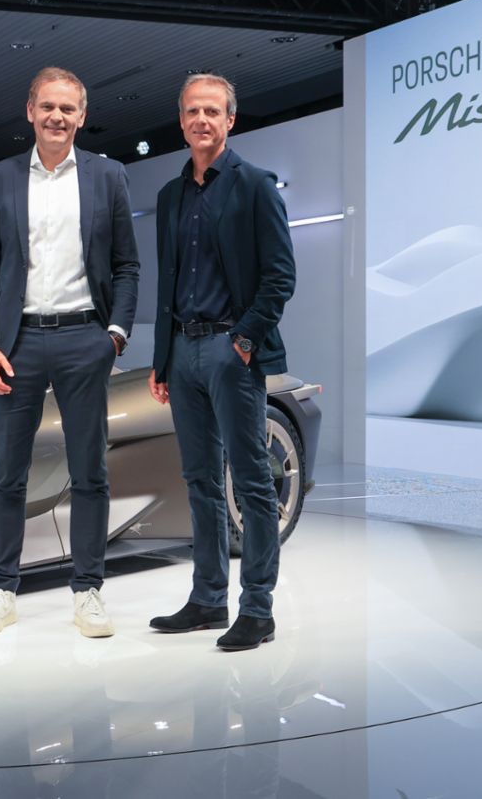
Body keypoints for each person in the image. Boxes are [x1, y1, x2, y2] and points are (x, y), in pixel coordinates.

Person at [0, 66, 139, 638]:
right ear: (30, 111)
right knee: (6, 474)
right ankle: (0, 590)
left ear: (82, 116)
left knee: (90, 471)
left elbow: (127, 265)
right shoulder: (0, 178)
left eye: (67, 108)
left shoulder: (108, 176)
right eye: (48, 107)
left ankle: (88, 591)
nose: (57, 117)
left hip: (84, 339)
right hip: (16, 345)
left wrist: (115, 336)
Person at [146, 73, 296, 652]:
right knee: (200, 480)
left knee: (252, 481)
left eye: (212, 111)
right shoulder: (170, 195)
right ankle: (208, 598)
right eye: (192, 111)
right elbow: (168, 284)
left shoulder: (255, 185)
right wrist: (162, 358)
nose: (201, 120)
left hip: (232, 350)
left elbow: (280, 277)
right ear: (181, 121)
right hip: (182, 351)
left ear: (230, 120)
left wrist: (245, 340)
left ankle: (257, 609)